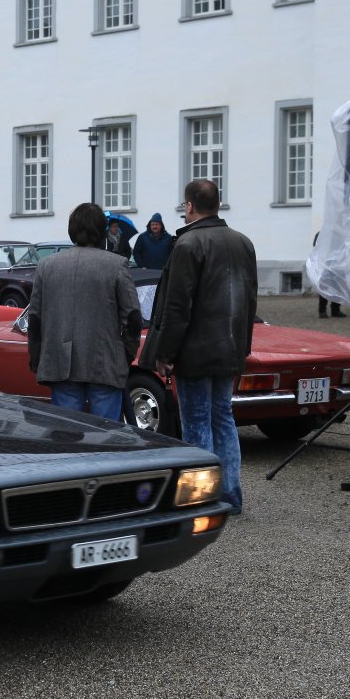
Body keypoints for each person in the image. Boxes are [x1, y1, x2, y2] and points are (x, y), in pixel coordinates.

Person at [142, 180, 257, 514]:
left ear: (190, 206)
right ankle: (230, 493)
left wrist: (165, 353)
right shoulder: (243, 242)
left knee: (196, 422)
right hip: (230, 346)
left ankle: (202, 498)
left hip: (195, 349)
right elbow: (250, 299)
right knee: (223, 417)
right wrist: (243, 345)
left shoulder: (188, 244)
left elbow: (178, 306)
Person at [26, 203, 141, 422]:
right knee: (107, 434)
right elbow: (133, 317)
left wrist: (35, 355)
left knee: (67, 432)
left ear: (72, 230)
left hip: (62, 363)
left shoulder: (46, 266)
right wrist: (126, 353)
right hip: (105, 362)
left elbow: (35, 318)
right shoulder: (117, 265)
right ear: (102, 231)